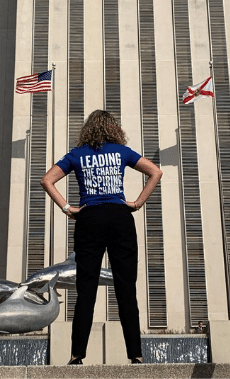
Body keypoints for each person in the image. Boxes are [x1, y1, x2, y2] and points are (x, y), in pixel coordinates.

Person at [40, 109, 163, 365]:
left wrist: (67, 208)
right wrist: (137, 203)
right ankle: (136, 355)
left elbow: (47, 180)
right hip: (120, 217)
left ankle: (76, 355)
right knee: (126, 289)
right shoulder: (122, 152)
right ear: (114, 128)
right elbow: (155, 172)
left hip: (89, 219)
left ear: (87, 130)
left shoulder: (76, 155)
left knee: (86, 289)